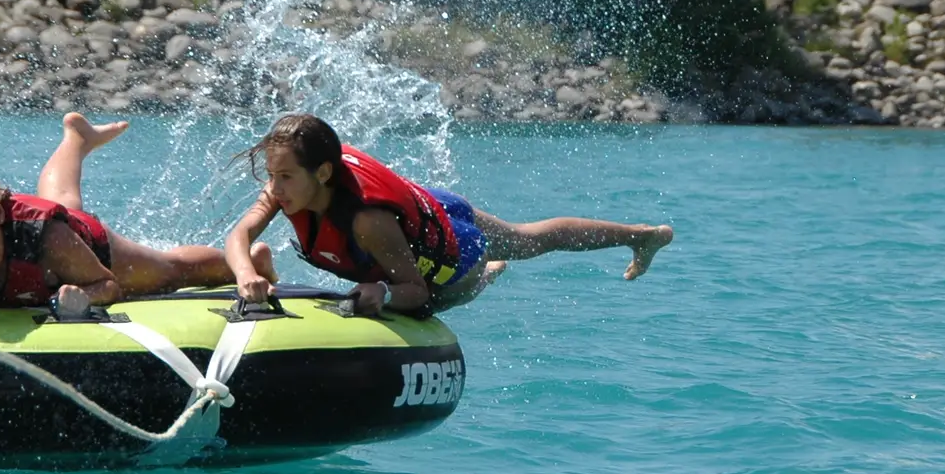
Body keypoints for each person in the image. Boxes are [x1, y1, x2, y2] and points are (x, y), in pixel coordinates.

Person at [223, 113, 673, 316]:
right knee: (526, 237)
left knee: (447, 296)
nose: (274, 188)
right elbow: (240, 234)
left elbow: (415, 291)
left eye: (284, 177)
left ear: (322, 172)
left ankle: (487, 274)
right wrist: (245, 274)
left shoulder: (368, 222)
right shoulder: (288, 187)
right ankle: (640, 234)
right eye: (271, 175)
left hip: (453, 255)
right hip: (431, 206)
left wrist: (382, 290)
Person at [0, 113, 274, 315]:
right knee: (60, 196)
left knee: (165, 273)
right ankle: (76, 138)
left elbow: (108, 285)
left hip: (81, 242)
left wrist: (85, 295)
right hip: (47, 234)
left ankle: (247, 263)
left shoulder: (46, 236)